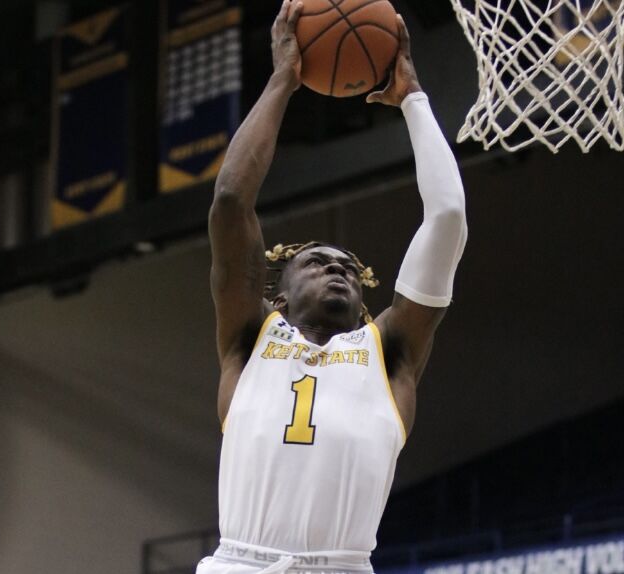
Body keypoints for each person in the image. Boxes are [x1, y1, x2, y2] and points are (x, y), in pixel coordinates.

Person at [199, 1, 468, 572]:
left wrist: (413, 98)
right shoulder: (250, 340)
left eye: (348, 265)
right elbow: (229, 202)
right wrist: (282, 81)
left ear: (367, 305)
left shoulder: (387, 351)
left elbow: (447, 217)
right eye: (316, 262)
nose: (338, 267)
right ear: (276, 298)